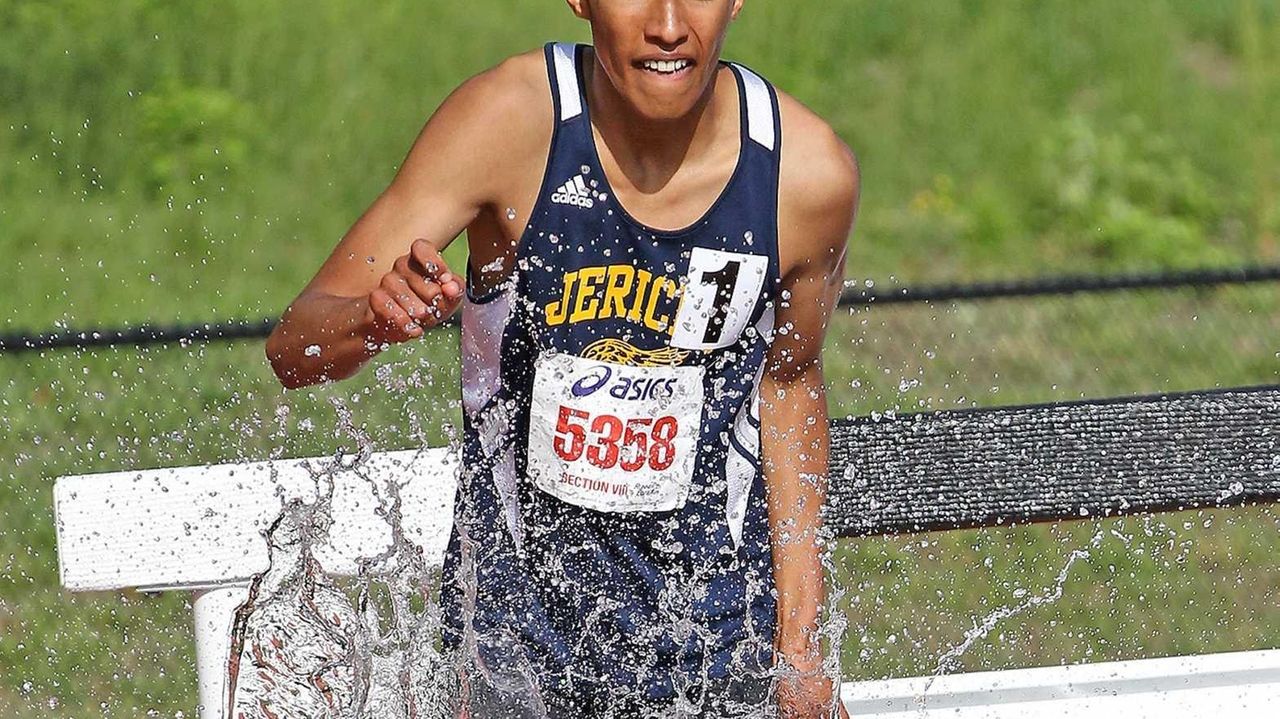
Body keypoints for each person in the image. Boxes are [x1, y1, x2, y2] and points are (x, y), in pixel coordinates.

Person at [266, 1, 858, 716]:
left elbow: (790, 386)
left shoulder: (806, 174)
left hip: (717, 643)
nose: (669, 26)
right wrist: (371, 315)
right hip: (512, 648)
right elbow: (294, 346)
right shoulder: (509, 125)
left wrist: (801, 651)